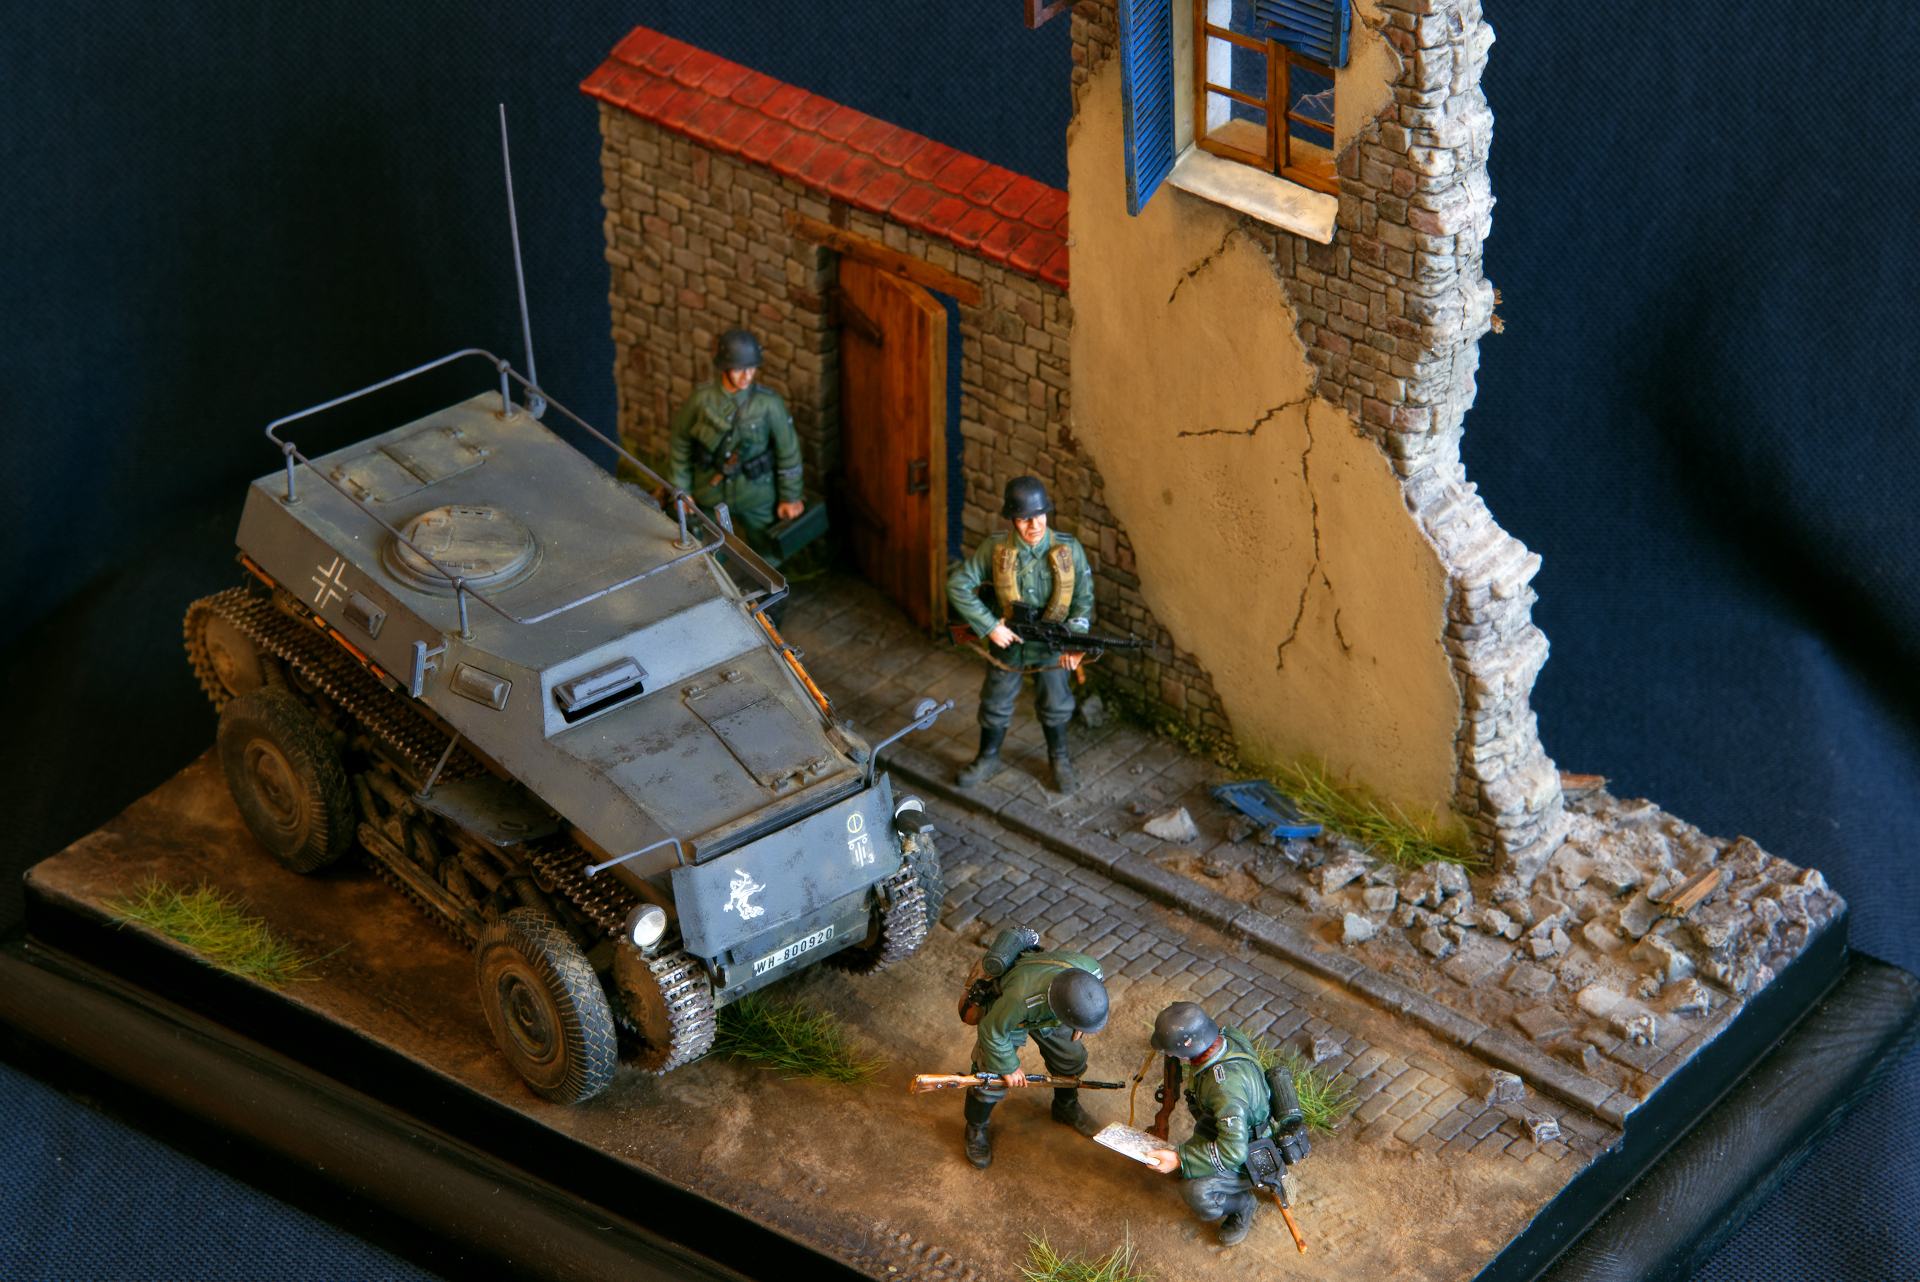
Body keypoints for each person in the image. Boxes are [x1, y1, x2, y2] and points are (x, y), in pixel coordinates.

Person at [945, 476, 1094, 794]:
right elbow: (958, 585)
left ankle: (1059, 759)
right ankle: (988, 757)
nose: (1034, 525)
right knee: (995, 700)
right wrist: (990, 626)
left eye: (1039, 515)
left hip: (1051, 646)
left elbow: (1083, 598)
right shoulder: (995, 548)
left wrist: (1076, 642)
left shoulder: (1068, 550)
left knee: (1056, 702)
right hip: (1009, 642)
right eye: (1025, 518)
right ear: (1013, 519)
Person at [1143, 1002, 1279, 1247]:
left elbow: (1234, 1152)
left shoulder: (1224, 1090)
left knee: (1195, 1192)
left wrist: (1180, 1159)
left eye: (1172, 1051)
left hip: (1250, 1148)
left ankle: (1243, 1205)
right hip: (1225, 1128)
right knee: (1187, 1166)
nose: (1169, 1056)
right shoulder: (1228, 1035)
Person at [960, 947, 1110, 1169]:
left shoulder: (1092, 971)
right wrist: (1008, 1067)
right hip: (1012, 1014)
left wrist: (1081, 1021)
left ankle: (1066, 1106)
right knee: (991, 1075)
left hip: (1055, 1012)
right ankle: (975, 1128)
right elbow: (992, 1031)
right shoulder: (1021, 998)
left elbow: (1090, 997)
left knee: (1071, 1058)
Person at [667, 329, 805, 555]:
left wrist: (790, 496)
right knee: (708, 553)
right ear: (725, 367)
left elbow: (788, 451)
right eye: (739, 369)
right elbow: (680, 444)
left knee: (766, 552)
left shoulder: (769, 404)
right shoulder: (702, 400)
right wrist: (682, 490)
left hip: (756, 493)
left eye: (751, 368)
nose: (747, 376)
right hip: (710, 492)